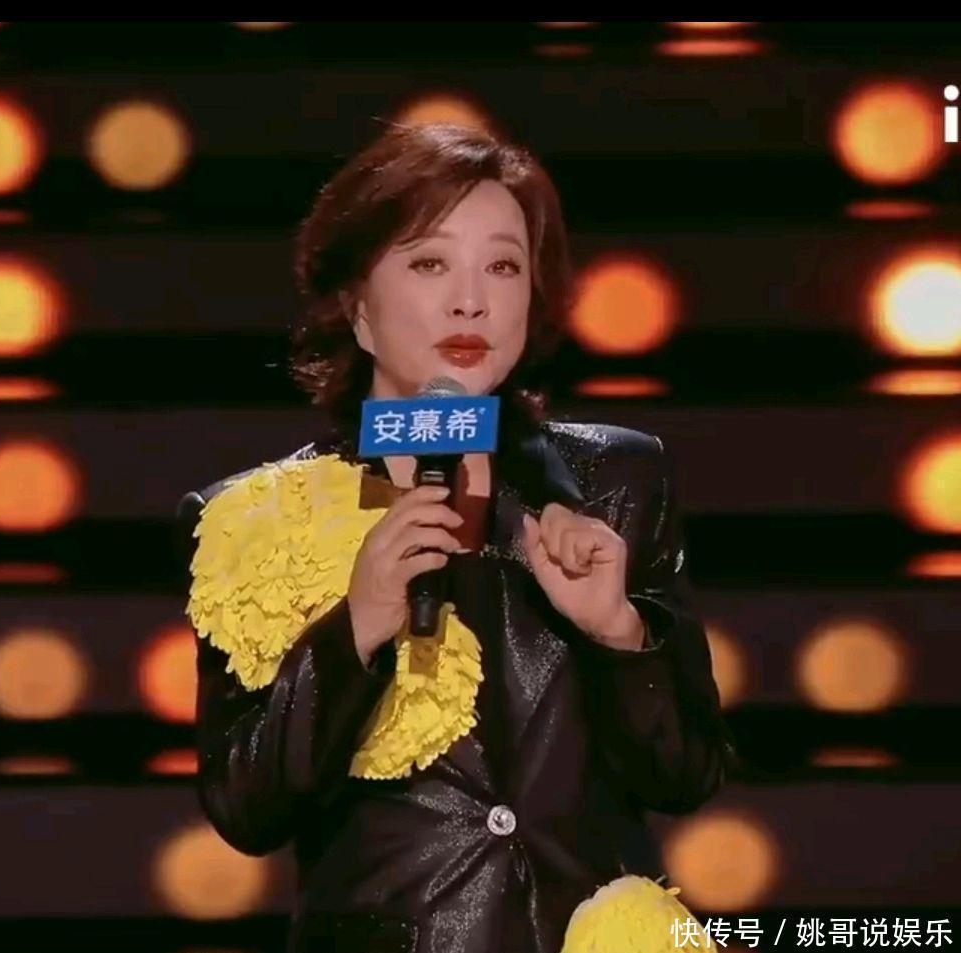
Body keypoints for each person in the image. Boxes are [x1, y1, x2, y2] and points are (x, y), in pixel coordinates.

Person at [174, 122, 739, 953]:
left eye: (502, 267)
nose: (470, 300)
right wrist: (357, 627)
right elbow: (245, 806)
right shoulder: (255, 518)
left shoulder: (614, 482)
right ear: (357, 307)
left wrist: (619, 634)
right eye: (430, 263)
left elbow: (687, 773)